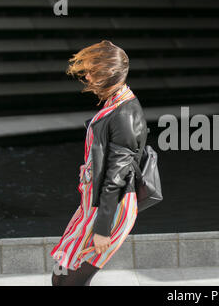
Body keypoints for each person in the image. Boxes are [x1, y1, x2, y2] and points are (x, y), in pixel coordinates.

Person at [50, 40, 147, 286]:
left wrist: (102, 228)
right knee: (60, 278)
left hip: (111, 209)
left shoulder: (125, 113)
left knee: (71, 282)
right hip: (93, 205)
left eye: (93, 71)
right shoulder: (116, 103)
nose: (87, 77)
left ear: (109, 74)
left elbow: (117, 175)